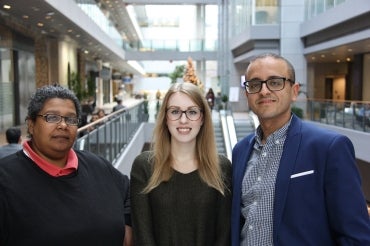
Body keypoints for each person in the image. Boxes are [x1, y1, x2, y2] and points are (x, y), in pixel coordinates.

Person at [231, 53, 370, 245]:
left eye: (275, 82)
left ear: (294, 91)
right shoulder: (240, 150)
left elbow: (356, 236)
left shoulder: (328, 148)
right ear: (247, 93)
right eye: (254, 85)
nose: (264, 91)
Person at [0, 84, 132, 245]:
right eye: (52, 117)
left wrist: (127, 230)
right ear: (31, 124)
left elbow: (131, 195)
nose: (63, 125)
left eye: (71, 119)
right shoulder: (5, 179)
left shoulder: (98, 165)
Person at [130, 82, 231, 245]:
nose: (183, 120)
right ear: (165, 118)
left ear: (202, 118)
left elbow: (224, 236)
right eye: (175, 112)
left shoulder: (222, 167)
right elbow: (143, 236)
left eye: (192, 112)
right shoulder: (145, 166)